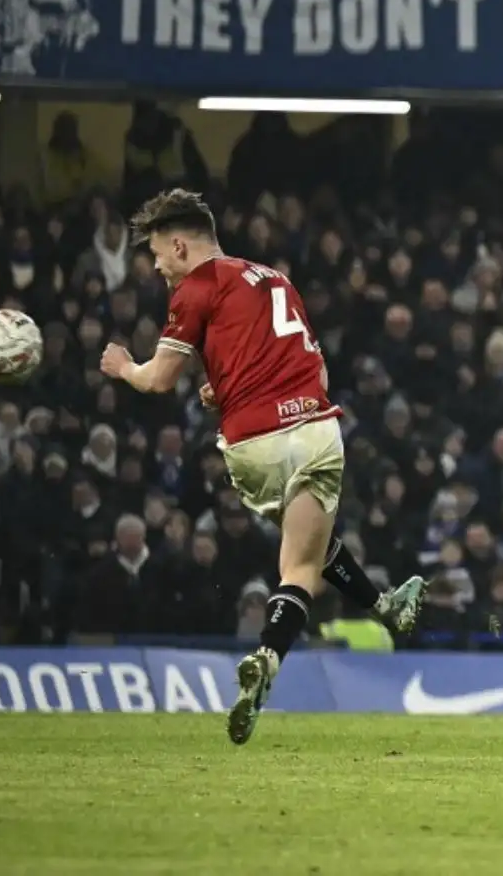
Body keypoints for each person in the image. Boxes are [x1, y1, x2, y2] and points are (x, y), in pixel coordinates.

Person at [100, 188, 425, 745]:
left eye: (158, 256)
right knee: (303, 562)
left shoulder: (194, 288)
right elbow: (313, 372)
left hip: (255, 442)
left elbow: (157, 380)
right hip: (316, 427)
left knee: (304, 556)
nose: (157, 269)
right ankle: (292, 648)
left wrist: (124, 366)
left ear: (180, 245)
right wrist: (223, 383)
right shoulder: (277, 279)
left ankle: (354, 619)